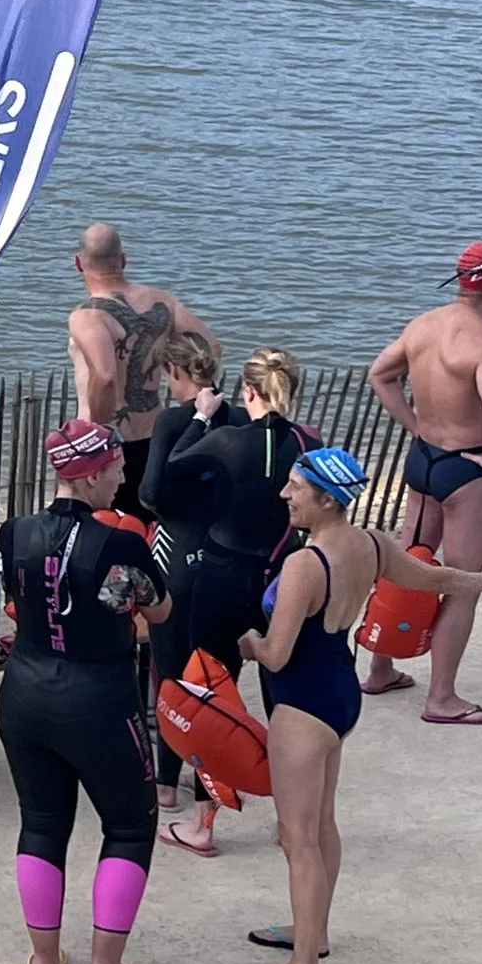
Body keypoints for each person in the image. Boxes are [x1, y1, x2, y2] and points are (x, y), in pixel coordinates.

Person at [234, 448, 482, 964]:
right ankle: (313, 933)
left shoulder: (306, 563)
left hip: (300, 704)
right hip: (340, 695)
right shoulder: (370, 544)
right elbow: (430, 576)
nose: (285, 495)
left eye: (296, 487)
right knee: (322, 824)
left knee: (296, 837)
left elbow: (275, 655)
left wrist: (245, 643)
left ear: (326, 499)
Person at [0, 417, 173, 964]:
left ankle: (44, 961)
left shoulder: (14, 531)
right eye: (118, 466)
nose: (124, 474)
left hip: (23, 690)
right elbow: (160, 610)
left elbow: (19, 601)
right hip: (96, 696)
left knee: (42, 822)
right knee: (128, 823)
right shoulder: (120, 542)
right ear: (93, 473)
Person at [148, 347, 314, 857]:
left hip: (221, 577)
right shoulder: (307, 443)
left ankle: (204, 825)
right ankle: (291, 819)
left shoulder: (226, 441)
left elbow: (167, 477)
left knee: (209, 697)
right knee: (280, 701)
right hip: (278, 581)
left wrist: (199, 418)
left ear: (248, 391)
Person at [360, 241, 482, 726]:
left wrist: (414, 426)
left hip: (423, 459)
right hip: (464, 469)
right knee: (463, 584)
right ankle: (442, 698)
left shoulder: (422, 326)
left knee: (406, 567)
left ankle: (381, 668)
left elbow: (380, 376)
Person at [135, 331, 241, 818]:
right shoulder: (239, 419)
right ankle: (211, 778)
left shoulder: (173, 421)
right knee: (215, 671)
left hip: (175, 549)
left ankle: (163, 783)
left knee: (171, 671)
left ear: (172, 374)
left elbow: (151, 494)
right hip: (221, 552)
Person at [67, 222, 213, 517]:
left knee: (104, 529)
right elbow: (208, 346)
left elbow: (105, 376)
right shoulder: (161, 301)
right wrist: (193, 408)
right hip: (154, 437)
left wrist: (97, 434)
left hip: (108, 442)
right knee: (147, 526)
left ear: (78, 264)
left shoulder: (87, 316)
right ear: (123, 260)